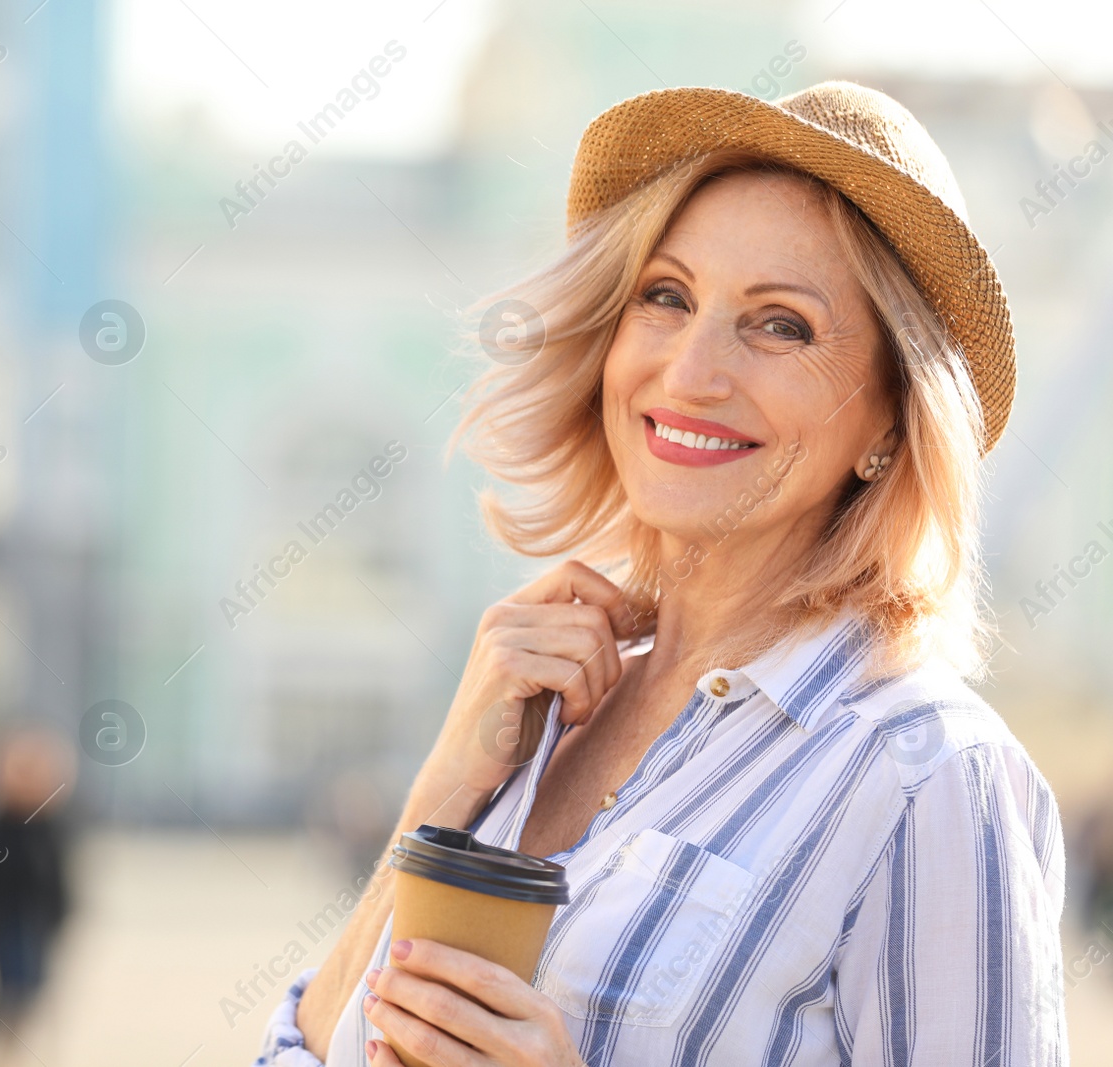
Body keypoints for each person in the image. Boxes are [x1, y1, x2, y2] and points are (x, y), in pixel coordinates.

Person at [261, 82, 1066, 1065]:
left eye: (780, 325)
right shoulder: (540, 711)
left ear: (890, 423)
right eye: (666, 296)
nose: (689, 371)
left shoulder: (927, 778)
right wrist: (443, 786)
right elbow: (302, 1051)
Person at [0, 728, 75, 1061]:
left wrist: (59, 920)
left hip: (34, 928)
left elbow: (59, 883)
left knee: (29, 994)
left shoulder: (51, 828)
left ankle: (15, 1047)